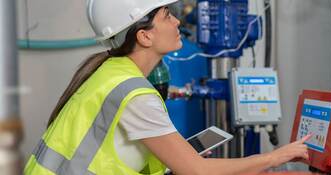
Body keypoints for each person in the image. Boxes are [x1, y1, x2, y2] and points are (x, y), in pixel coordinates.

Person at [23, 0, 311, 174]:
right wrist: (278, 156)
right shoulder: (135, 94)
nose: (176, 21)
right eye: (167, 15)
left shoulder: (108, 71)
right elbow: (198, 172)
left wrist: (178, 156)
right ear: (145, 36)